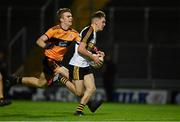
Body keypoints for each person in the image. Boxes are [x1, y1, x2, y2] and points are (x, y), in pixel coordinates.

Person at [7, 8, 80, 97]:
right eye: (68, 16)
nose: (71, 18)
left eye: (71, 16)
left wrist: (95, 52)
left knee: (40, 84)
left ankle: (14, 80)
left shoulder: (74, 33)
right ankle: (88, 102)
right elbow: (39, 41)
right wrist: (46, 46)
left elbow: (83, 44)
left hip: (57, 62)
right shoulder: (54, 30)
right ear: (61, 19)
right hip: (49, 60)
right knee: (66, 73)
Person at [68, 10, 106, 116]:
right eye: (103, 21)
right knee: (79, 92)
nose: (104, 24)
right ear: (96, 21)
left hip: (85, 65)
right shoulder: (89, 30)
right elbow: (80, 49)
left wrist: (97, 52)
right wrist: (93, 57)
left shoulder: (92, 32)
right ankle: (61, 78)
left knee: (91, 88)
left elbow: (87, 46)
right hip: (77, 65)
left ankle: (78, 111)